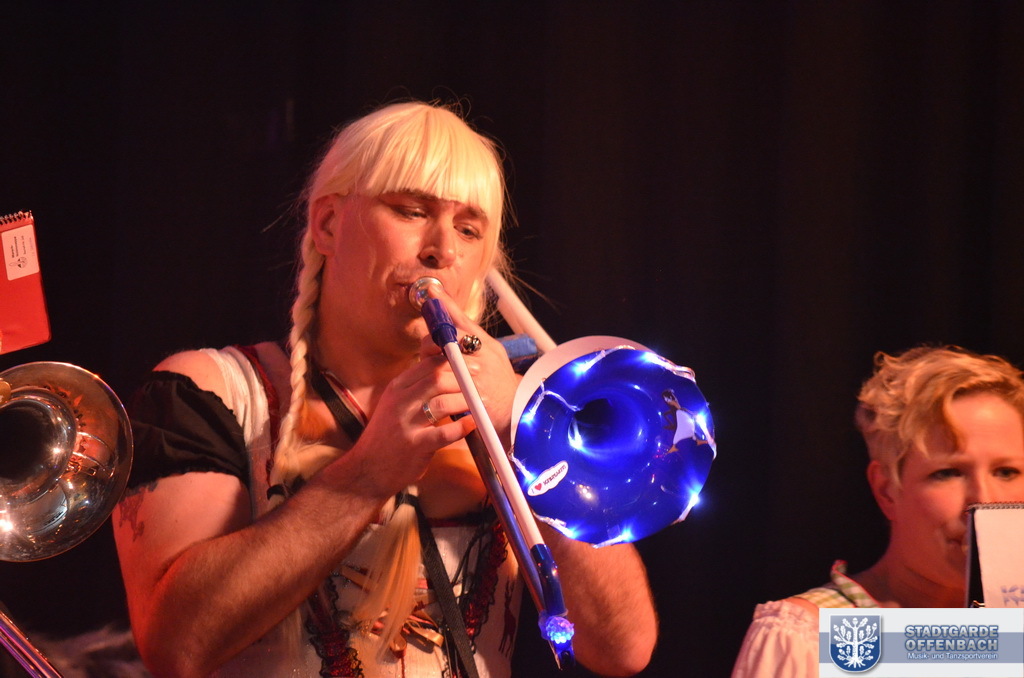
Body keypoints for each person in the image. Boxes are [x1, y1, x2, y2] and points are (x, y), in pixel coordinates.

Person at [112, 101, 657, 678]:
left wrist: (530, 436)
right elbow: (177, 645)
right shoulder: (209, 390)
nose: (442, 250)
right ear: (327, 224)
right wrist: (368, 474)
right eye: (411, 211)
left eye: (468, 229)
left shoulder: (516, 413)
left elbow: (622, 649)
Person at [731, 345, 1024, 677]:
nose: (984, 500)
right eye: (948, 473)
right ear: (886, 490)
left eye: (1006, 472)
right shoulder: (814, 639)